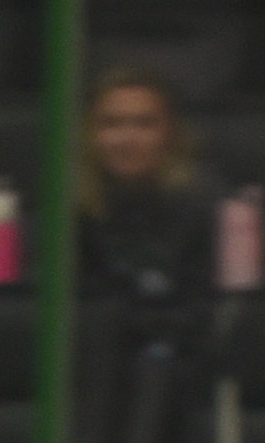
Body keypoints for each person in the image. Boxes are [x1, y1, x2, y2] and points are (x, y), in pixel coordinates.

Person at [73, 73, 214, 308]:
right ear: (89, 134)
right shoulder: (65, 206)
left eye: (144, 124)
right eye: (111, 124)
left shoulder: (205, 203)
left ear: (171, 134)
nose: (127, 139)